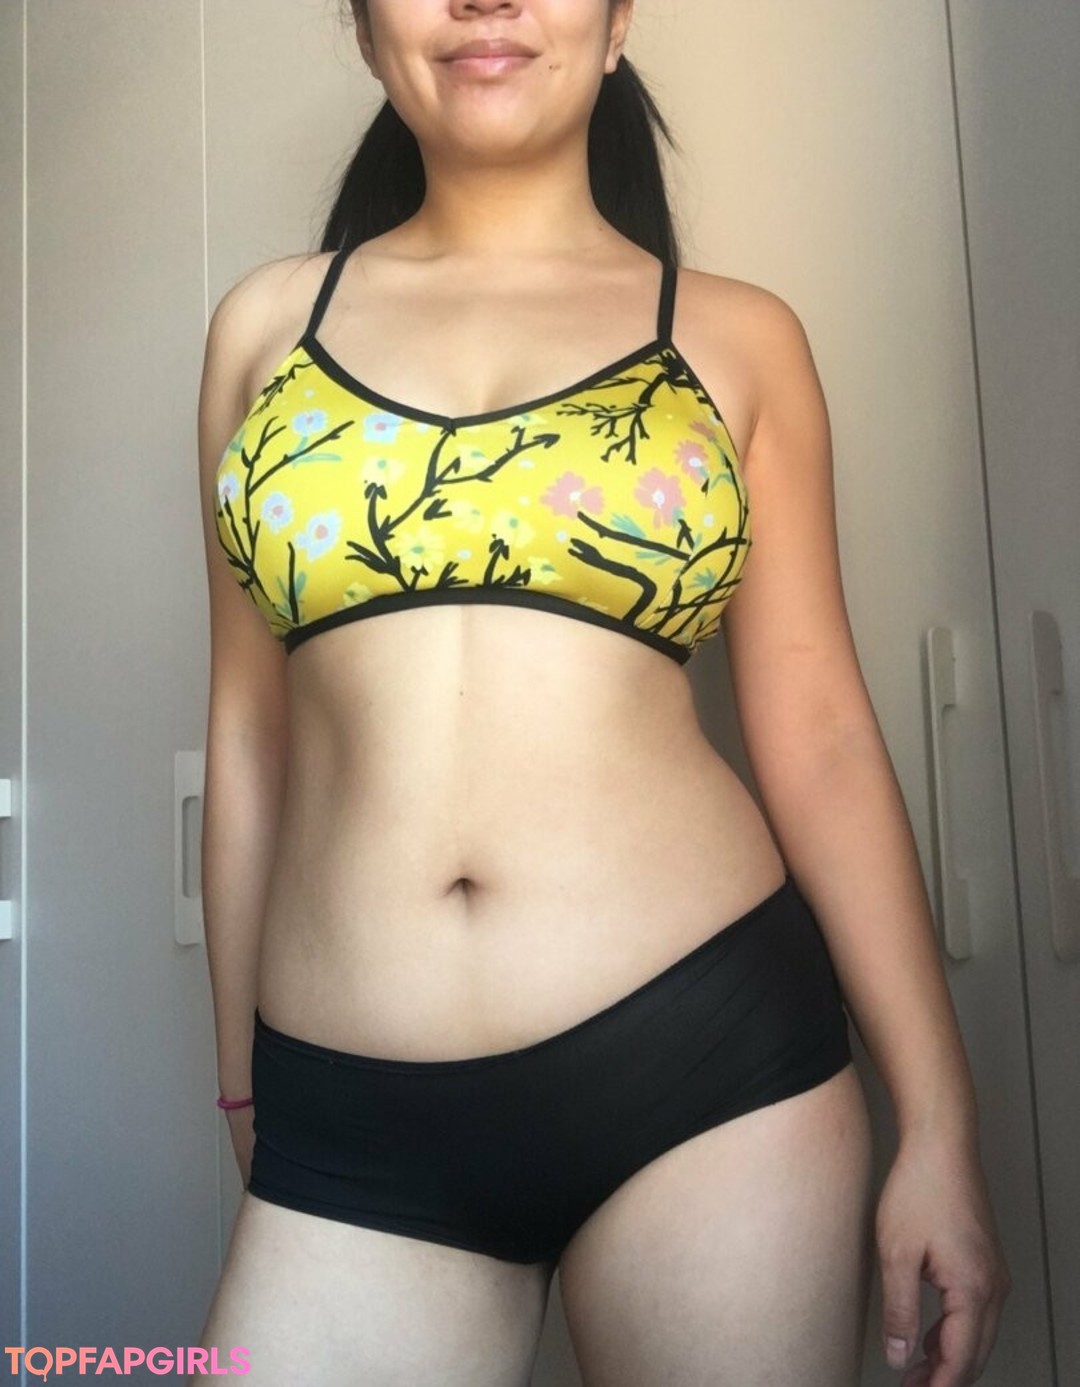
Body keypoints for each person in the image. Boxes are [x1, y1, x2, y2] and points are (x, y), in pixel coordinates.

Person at [191, 1, 1010, 1383]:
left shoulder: (739, 338)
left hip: (708, 1073)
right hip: (350, 1107)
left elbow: (820, 736)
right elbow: (247, 739)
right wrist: (245, 1091)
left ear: (619, 23)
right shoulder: (264, 331)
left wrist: (939, 1124)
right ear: (365, 30)